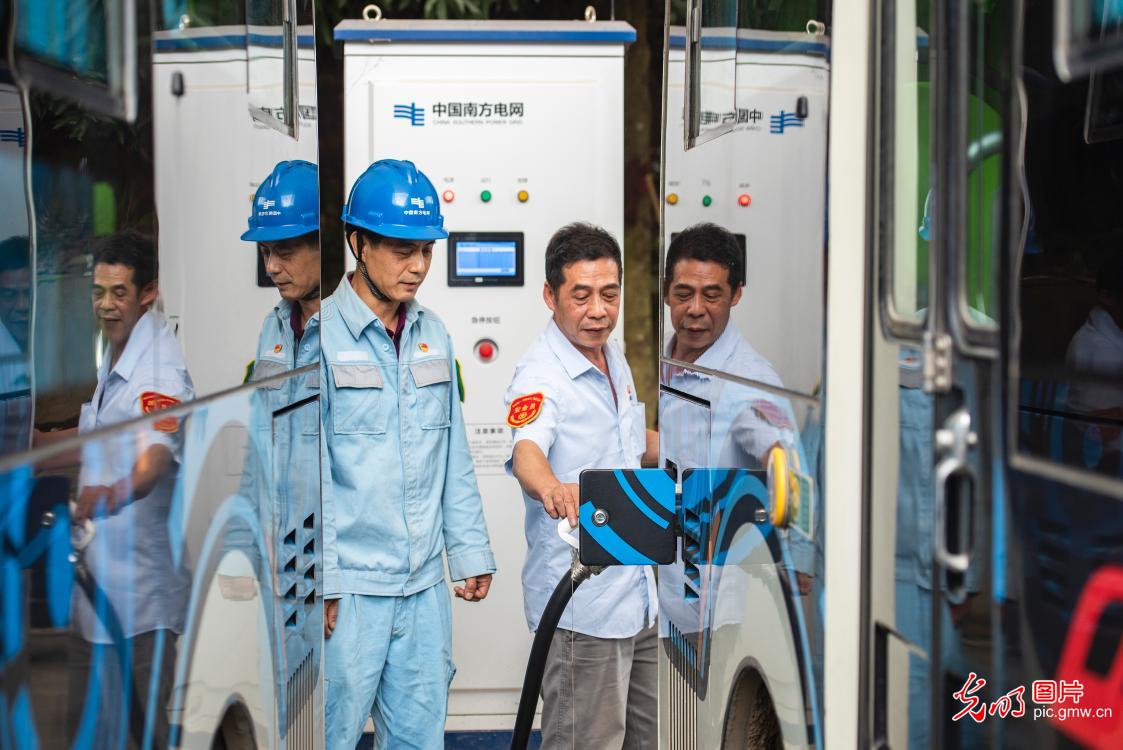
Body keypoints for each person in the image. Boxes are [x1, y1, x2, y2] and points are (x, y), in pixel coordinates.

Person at [320, 159, 496, 749]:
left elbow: (453, 454)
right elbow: (304, 474)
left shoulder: (433, 333)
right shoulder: (317, 338)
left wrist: (469, 549)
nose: (418, 266)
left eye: (425, 250)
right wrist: (319, 579)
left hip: (421, 591)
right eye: (402, 250)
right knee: (328, 737)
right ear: (358, 243)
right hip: (349, 594)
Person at [505, 222, 658, 750]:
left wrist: (711, 440)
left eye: (609, 294)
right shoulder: (541, 374)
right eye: (582, 295)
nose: (598, 310)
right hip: (583, 611)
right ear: (550, 295)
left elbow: (631, 441)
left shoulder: (610, 355)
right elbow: (528, 450)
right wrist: (553, 489)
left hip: (638, 597)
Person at [64, 230, 193, 748]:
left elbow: (157, 458)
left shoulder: (159, 369)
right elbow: (101, 437)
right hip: (99, 584)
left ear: (148, 292)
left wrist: (110, 494)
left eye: (119, 292)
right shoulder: (116, 355)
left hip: (140, 599)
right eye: (99, 292)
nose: (106, 305)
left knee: (142, 734)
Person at [241, 159, 321, 384]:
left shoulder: (351, 330)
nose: (271, 268)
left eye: (285, 253)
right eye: (266, 252)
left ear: (322, 244)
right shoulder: (273, 325)